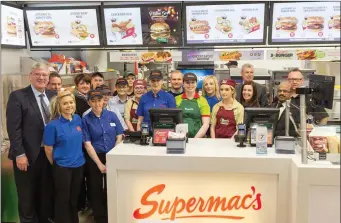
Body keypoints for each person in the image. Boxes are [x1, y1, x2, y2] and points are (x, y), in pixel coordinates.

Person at [6, 62, 56, 223]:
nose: (41, 77)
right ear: (30, 76)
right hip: (26, 155)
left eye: (44, 75)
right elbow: (14, 129)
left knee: (45, 193)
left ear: (48, 78)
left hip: (47, 153)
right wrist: (19, 154)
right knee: (27, 196)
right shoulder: (18, 96)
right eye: (37, 74)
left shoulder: (52, 96)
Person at [82, 89, 124, 223]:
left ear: (103, 101)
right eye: (93, 101)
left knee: (112, 186)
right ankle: (100, 218)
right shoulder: (86, 119)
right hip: (95, 157)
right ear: (89, 102)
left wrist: (113, 155)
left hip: (112, 154)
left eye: (99, 100)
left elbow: (119, 136)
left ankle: (113, 214)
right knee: (95, 188)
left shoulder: (111, 115)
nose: (97, 104)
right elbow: (87, 144)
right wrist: (99, 164)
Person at [44, 91, 85, 223]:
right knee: (63, 199)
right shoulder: (52, 125)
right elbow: (48, 149)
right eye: (65, 103)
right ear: (59, 106)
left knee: (74, 198)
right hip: (62, 168)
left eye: (71, 102)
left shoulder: (78, 119)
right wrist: (56, 164)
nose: (69, 105)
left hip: (79, 165)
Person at [175, 73, 210, 138]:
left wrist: (195, 139)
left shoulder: (202, 100)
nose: (190, 85)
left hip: (198, 138)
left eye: (193, 82)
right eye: (187, 82)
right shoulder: (176, 99)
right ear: (183, 84)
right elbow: (173, 121)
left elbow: (206, 124)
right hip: (180, 138)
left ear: (196, 84)